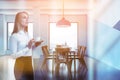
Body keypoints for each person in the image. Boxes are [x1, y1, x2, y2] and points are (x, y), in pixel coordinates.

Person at [9, 11, 42, 80]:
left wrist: (35, 45)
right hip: (20, 65)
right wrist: (28, 47)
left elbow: (29, 50)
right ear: (18, 20)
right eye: (24, 18)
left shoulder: (27, 34)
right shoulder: (14, 36)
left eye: (28, 18)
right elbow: (12, 56)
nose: (27, 20)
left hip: (29, 63)